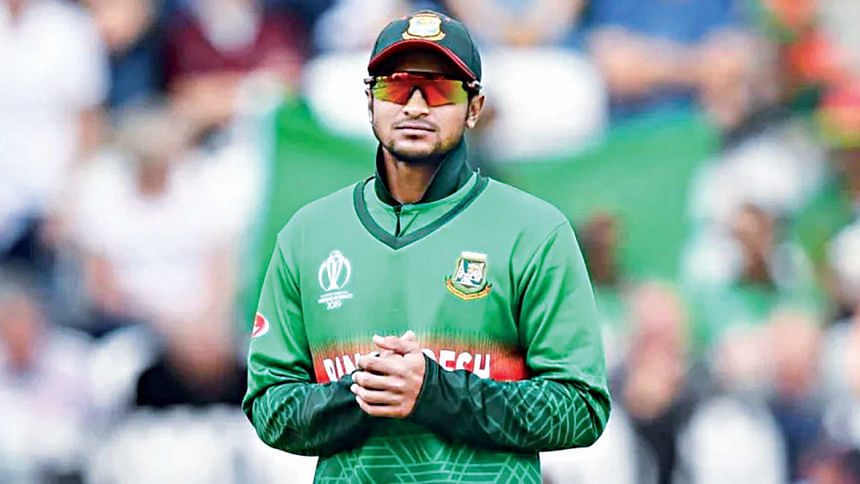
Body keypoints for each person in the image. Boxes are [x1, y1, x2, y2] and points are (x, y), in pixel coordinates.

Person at [243, 10, 610, 482]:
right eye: (396, 87)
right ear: (370, 102)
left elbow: (581, 407)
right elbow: (268, 405)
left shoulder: (535, 231)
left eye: (440, 91)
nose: (415, 107)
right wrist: (367, 392)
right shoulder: (307, 234)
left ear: (474, 108)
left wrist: (435, 390)